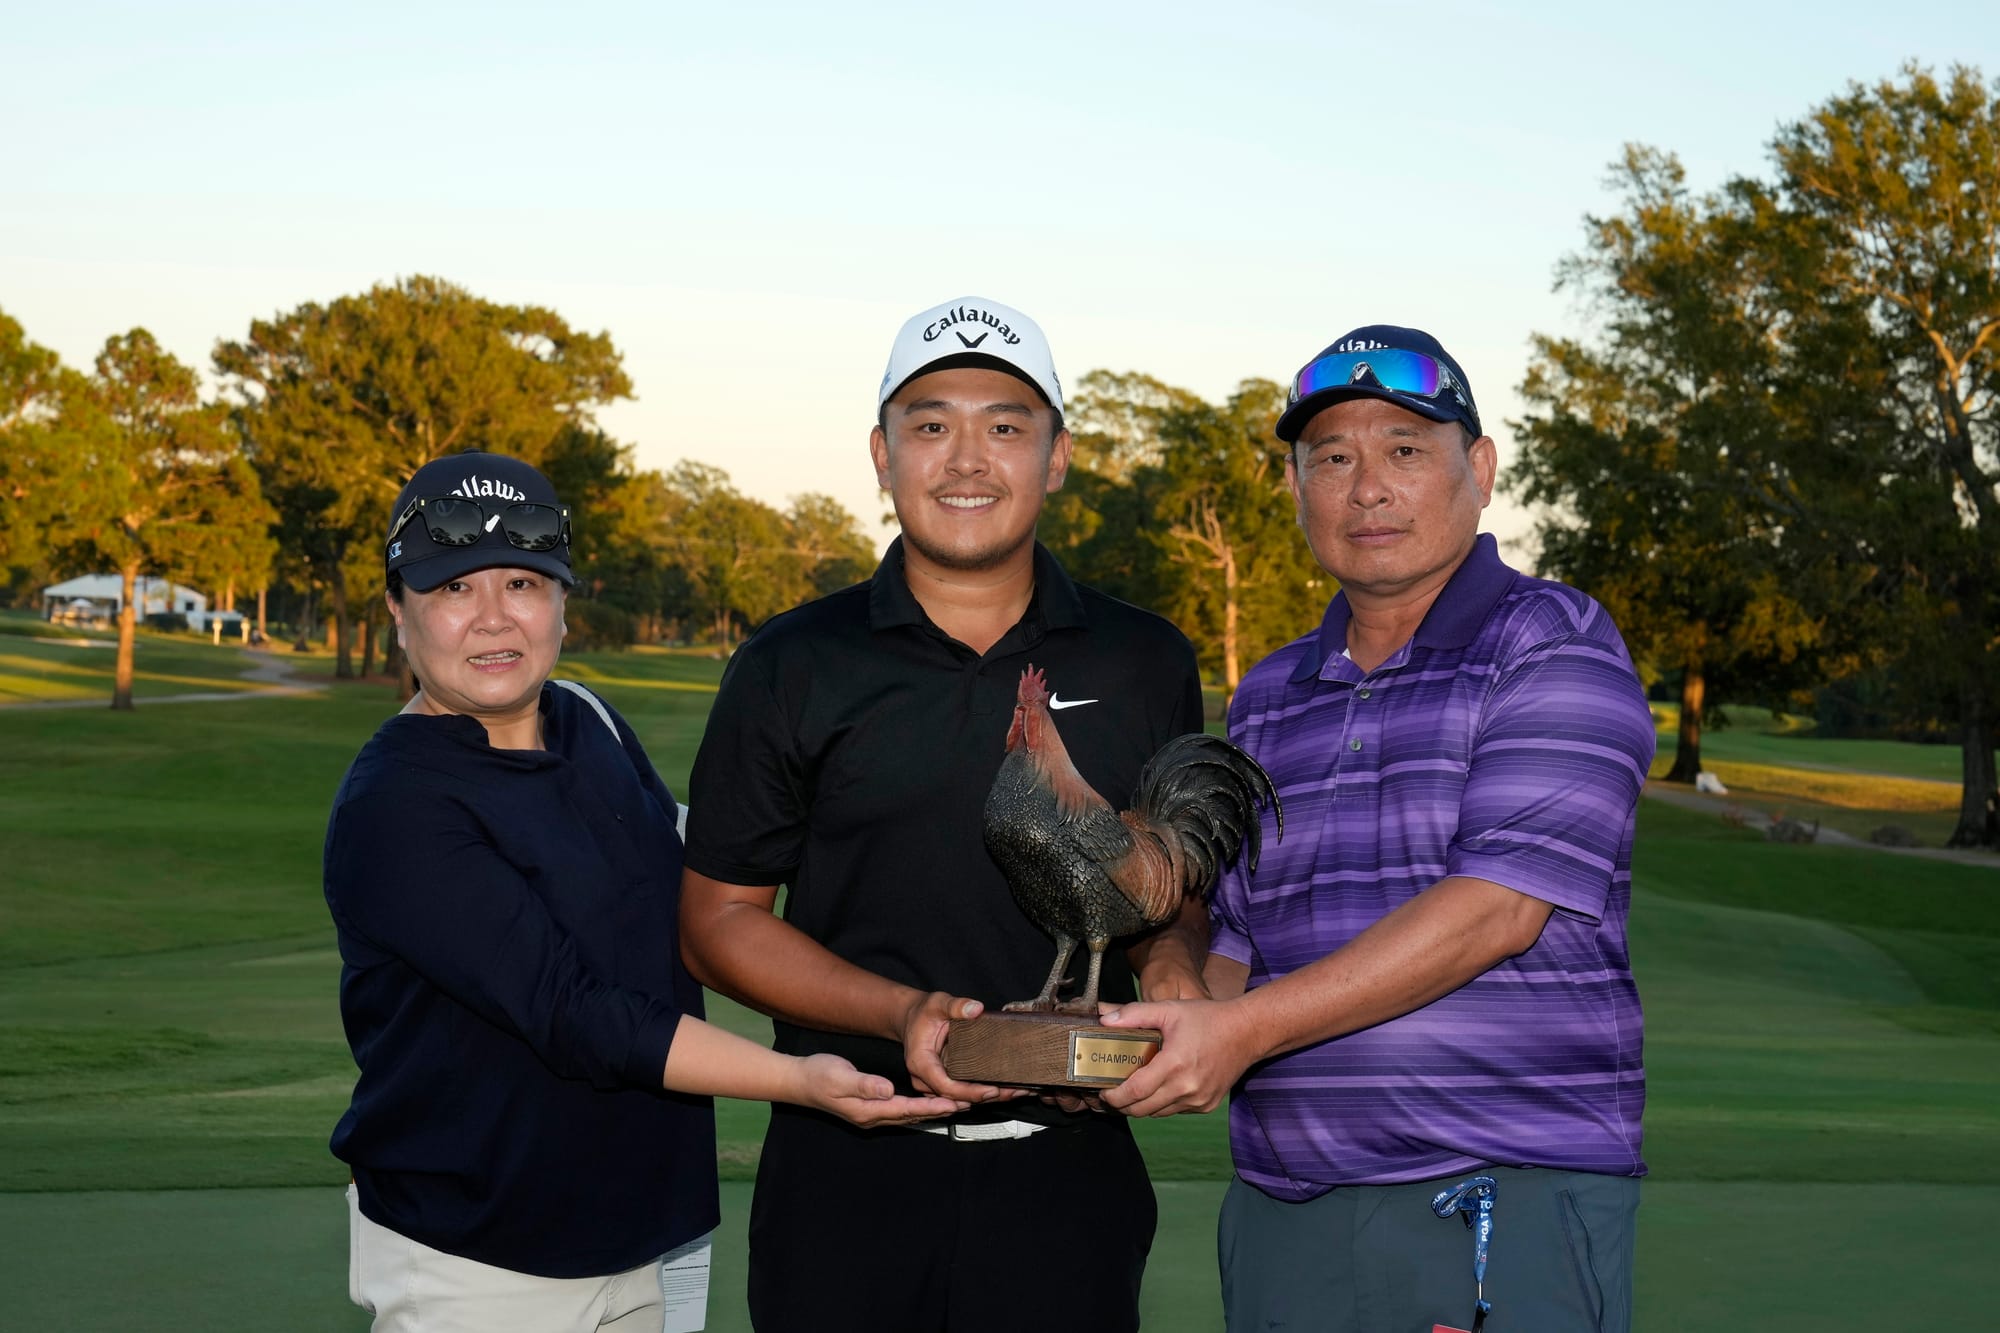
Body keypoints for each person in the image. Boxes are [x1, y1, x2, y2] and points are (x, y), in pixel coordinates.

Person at [1101, 326, 1655, 1332]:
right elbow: (1231, 939)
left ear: (1477, 469)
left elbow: (1495, 910)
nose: (1365, 487)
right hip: (1284, 1208)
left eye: (1404, 448)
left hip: (1498, 1190)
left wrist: (1235, 1033)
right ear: (1295, 485)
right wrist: (1166, 1008)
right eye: (1332, 457)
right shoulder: (1268, 695)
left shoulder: (1552, 641)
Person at [325, 450, 954, 1333]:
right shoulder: (397, 803)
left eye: (523, 582)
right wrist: (796, 1080)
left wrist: (893, 849)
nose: (495, 618)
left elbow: (702, 861)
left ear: (562, 599)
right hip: (482, 1256)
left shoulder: (587, 719)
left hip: (650, 1230)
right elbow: (574, 1012)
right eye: (454, 589)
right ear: (398, 609)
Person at [678, 297, 1208, 1333]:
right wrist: (900, 1015)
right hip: (844, 1176)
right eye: (930, 425)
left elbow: (1169, 891)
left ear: (1056, 456)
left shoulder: (1143, 657)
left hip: (1072, 1183)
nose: (966, 457)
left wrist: (1178, 969)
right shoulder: (791, 662)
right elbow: (717, 921)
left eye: (1005, 425)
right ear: (881, 455)